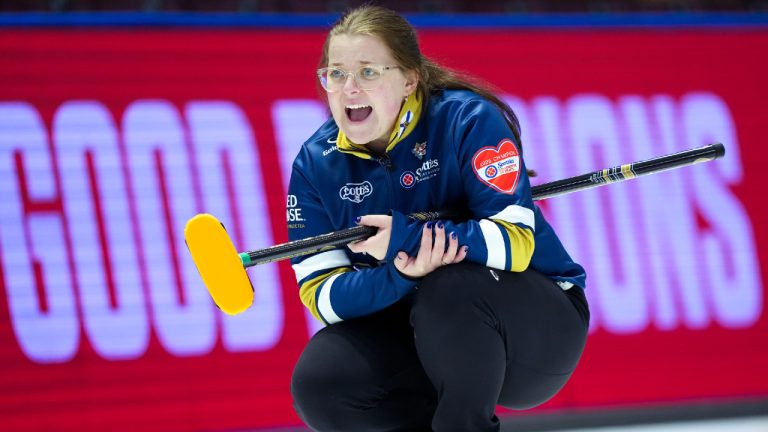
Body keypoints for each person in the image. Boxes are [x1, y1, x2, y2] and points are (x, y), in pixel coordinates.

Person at [287, 6, 589, 431]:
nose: (349, 88)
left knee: (449, 286)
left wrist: (408, 239)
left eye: (368, 72)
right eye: (335, 74)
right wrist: (401, 274)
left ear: (409, 79)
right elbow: (324, 296)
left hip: (534, 334)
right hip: (424, 325)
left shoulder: (466, 119)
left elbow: (516, 240)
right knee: (324, 380)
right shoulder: (315, 163)